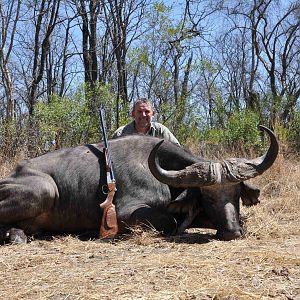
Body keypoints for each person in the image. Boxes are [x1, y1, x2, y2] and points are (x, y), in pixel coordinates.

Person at [112, 98, 180, 145]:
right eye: (139, 112)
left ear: (153, 114)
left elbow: (178, 149)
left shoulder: (161, 130)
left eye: (147, 111)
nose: (143, 115)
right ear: (133, 114)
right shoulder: (120, 133)